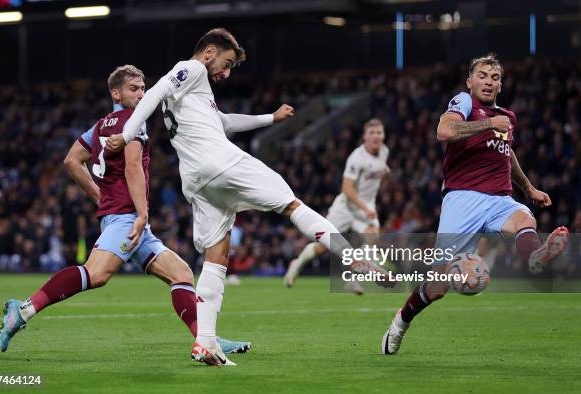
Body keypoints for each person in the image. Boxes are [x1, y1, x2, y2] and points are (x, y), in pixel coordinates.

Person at [106, 28, 388, 366]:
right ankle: (352, 258)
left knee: (218, 252)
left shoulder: (196, 93)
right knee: (291, 203)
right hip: (219, 161)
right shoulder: (192, 69)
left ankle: (205, 342)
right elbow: (156, 90)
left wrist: (271, 117)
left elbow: (224, 122)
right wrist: (126, 134)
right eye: (225, 64)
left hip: (195, 178)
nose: (226, 73)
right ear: (209, 52)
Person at [0, 65, 249, 356]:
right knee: (96, 274)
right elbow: (132, 168)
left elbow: (71, 160)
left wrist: (100, 198)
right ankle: (24, 310)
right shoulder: (133, 121)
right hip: (128, 218)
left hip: (122, 216)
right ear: (115, 93)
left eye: (143, 88)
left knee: (180, 273)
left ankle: (206, 341)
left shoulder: (101, 125)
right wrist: (141, 214)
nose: (141, 94)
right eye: (134, 89)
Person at [381, 53, 569, 355]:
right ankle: (400, 323)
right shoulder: (464, 103)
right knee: (438, 285)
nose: (488, 81)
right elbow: (444, 132)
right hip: (463, 197)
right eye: (482, 76)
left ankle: (535, 257)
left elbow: (507, 154)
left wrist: (529, 187)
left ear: (500, 85)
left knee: (525, 219)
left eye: (494, 78)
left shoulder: (506, 117)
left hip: (499, 197)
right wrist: (487, 124)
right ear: (470, 81)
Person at [284, 118, 390, 295]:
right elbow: (347, 189)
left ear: (383, 135)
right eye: (371, 133)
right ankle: (298, 262)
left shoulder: (384, 151)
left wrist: (385, 174)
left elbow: (382, 170)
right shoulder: (356, 158)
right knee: (322, 247)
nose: (375, 136)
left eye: (379, 132)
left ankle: (353, 278)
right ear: (364, 136)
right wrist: (366, 209)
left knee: (372, 238)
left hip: (366, 208)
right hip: (346, 207)